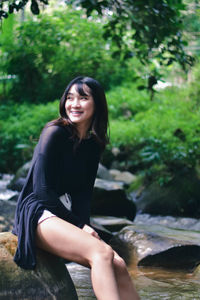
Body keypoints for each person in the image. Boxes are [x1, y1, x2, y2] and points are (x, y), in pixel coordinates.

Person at [12, 76, 140, 300]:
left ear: (97, 104)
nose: (74, 104)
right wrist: (80, 225)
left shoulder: (93, 145)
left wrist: (85, 225)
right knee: (100, 253)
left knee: (117, 261)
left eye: (83, 98)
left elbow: (82, 196)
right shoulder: (54, 133)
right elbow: (42, 192)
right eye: (70, 98)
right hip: (38, 212)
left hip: (64, 213)